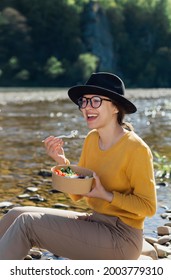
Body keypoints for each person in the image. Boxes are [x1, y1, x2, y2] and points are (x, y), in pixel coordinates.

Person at [0, 72, 157, 260]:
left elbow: (148, 207)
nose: (87, 107)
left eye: (96, 101)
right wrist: (62, 163)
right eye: (84, 101)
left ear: (116, 106)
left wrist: (106, 195)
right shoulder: (92, 139)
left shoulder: (136, 148)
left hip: (122, 238)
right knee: (14, 215)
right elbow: (79, 192)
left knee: (27, 224)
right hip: (95, 221)